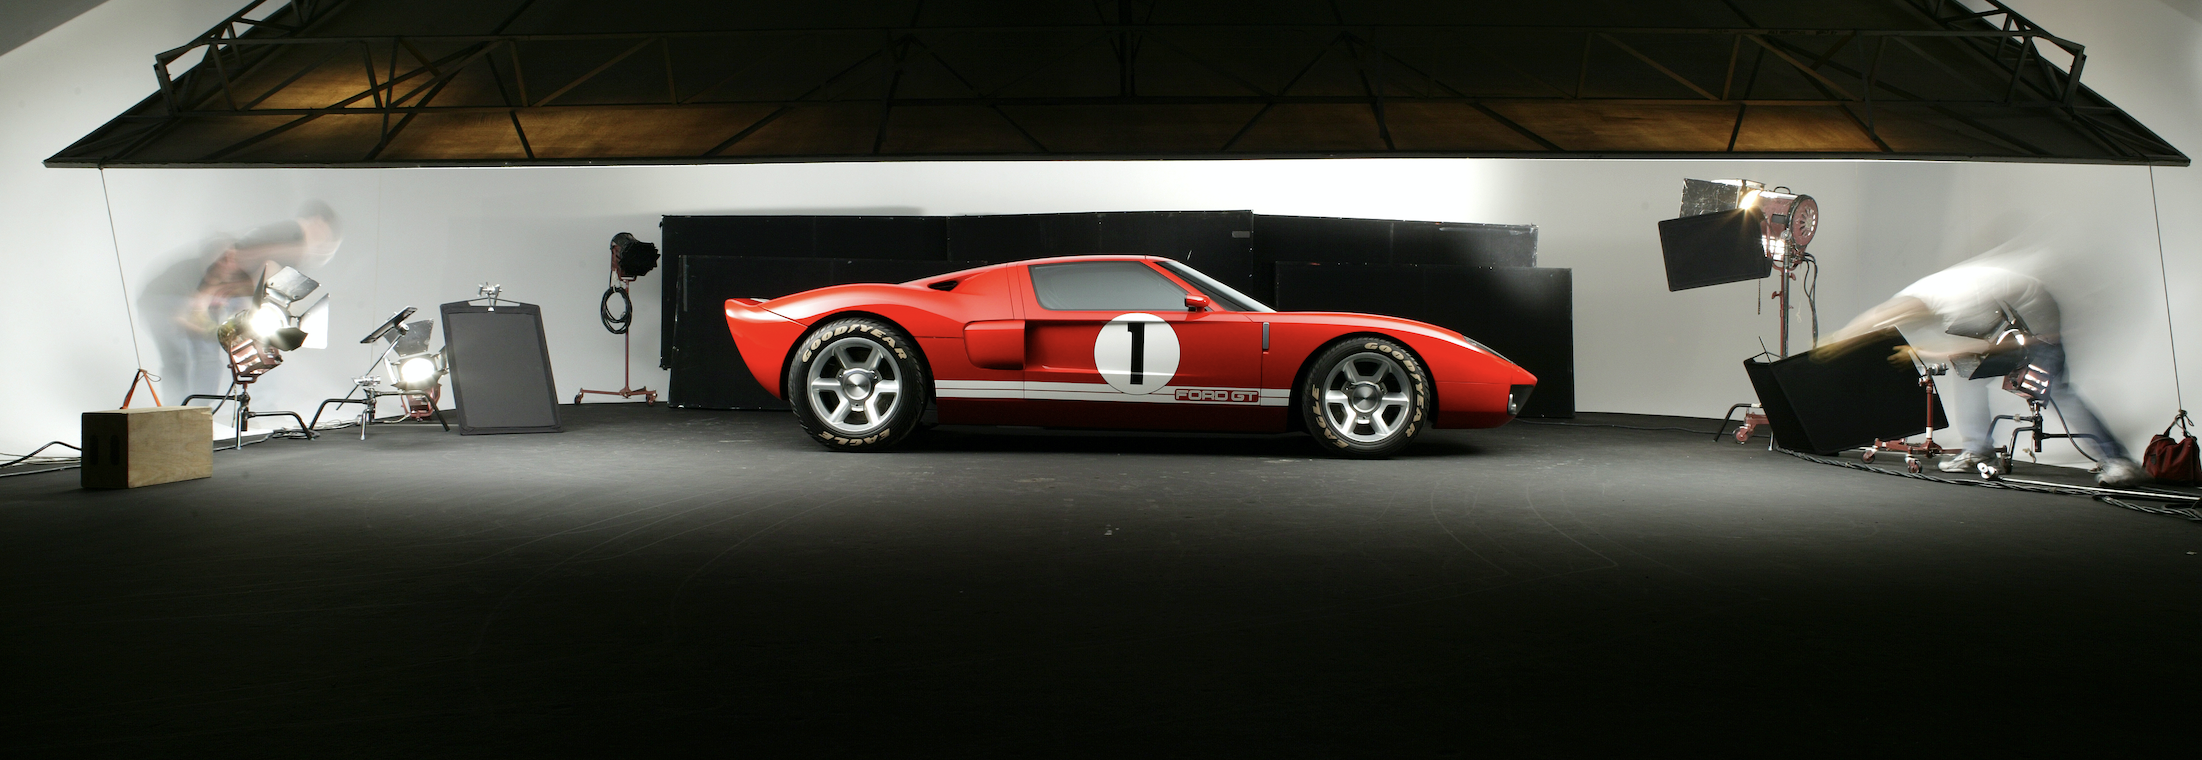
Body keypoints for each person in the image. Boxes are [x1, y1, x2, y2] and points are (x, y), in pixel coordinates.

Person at [1815, 260, 2141, 486]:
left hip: (2039, 320)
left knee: (2057, 389)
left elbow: (1995, 350)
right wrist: (1841, 339)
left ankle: (2120, 460)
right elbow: (1879, 316)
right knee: (1970, 375)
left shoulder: (1957, 302)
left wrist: (1921, 351)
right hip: (2007, 320)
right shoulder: (1928, 297)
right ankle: (1978, 449)